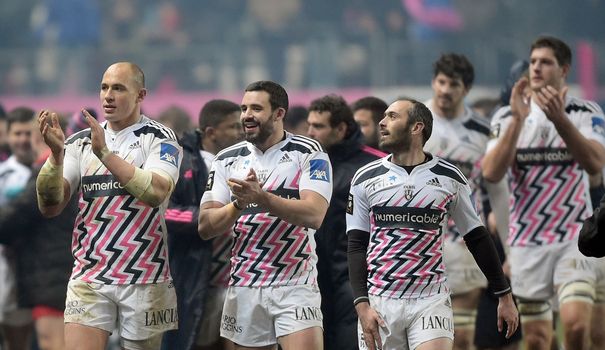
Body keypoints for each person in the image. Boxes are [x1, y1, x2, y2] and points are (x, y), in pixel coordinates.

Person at [347, 98, 518, 350]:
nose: (382, 123)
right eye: (384, 117)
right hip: (380, 301)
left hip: (430, 299)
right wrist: (362, 305)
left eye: (392, 117)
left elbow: (477, 237)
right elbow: (356, 246)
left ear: (417, 127)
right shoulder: (365, 178)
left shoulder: (449, 177)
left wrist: (504, 294)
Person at [35, 62, 183, 350]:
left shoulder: (160, 138)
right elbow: (50, 205)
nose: (108, 96)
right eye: (104, 87)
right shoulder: (79, 142)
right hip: (89, 275)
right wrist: (55, 157)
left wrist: (104, 153)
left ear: (141, 95)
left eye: (118, 88)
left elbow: (155, 191)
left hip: (144, 274)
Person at [482, 36, 605, 350]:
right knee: (537, 340)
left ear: (564, 69)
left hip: (573, 238)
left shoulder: (583, 111)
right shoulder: (506, 116)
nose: (536, 67)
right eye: (533, 61)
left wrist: (559, 119)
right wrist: (518, 122)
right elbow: (491, 172)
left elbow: (595, 162)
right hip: (527, 243)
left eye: (545, 62)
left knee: (577, 327)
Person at [198, 80, 332, 350]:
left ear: (279, 113)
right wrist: (238, 204)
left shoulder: (308, 153)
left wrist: (263, 199)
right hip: (245, 283)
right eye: (244, 108)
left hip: (295, 282)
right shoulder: (225, 160)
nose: (247, 115)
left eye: (256, 108)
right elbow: (206, 226)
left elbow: (314, 214)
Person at [423, 53, 516, 350]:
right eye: (441, 81)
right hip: (418, 242)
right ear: (433, 82)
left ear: (466, 89)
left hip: (462, 243)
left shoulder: (483, 131)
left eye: (454, 84)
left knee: (461, 339)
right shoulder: (415, 120)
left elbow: (498, 191)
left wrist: (510, 251)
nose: (445, 89)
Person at [162, 99, 243, 350]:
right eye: (233, 127)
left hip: (240, 277)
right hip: (198, 275)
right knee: (197, 342)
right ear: (211, 132)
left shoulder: (246, 161)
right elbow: (168, 214)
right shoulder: (183, 161)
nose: (241, 132)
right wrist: (209, 218)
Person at [306, 94, 385, 350]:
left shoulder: (376, 164)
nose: (310, 132)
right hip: (311, 274)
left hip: (354, 275)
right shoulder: (305, 162)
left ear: (340, 129)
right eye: (309, 125)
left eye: (318, 126)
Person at [0, 111, 75, 350]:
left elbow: (16, 216)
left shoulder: (47, 169)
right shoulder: (73, 166)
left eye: (31, 133)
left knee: (52, 344)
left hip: (50, 275)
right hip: (65, 269)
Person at [0, 106, 37, 350]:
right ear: (8, 136)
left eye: (27, 133)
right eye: (17, 134)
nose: (23, 140)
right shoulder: (3, 174)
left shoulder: (47, 169)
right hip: (6, 267)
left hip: (38, 266)